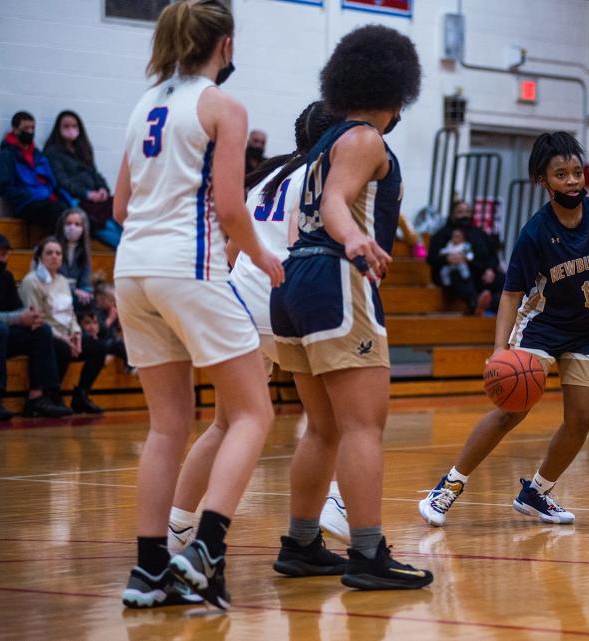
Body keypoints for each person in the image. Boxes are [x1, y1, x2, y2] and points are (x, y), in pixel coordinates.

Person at [113, 0, 283, 610]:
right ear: (225, 46)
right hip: (188, 269)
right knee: (252, 414)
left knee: (167, 425)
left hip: (131, 271)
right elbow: (232, 207)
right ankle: (207, 546)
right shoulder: (223, 106)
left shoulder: (144, 105)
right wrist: (263, 258)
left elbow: (120, 208)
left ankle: (148, 570)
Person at [270, 24, 432, 590]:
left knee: (324, 427)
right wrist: (357, 241)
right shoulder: (364, 139)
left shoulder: (326, 140)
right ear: (399, 90)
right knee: (364, 425)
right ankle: (367, 555)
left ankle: (302, 543)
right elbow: (338, 202)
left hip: (294, 282)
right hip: (336, 275)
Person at [164, 101, 352, 573]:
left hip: (239, 305)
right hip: (287, 302)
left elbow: (231, 250)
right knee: (333, 425)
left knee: (224, 425)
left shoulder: (270, 177)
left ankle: (178, 529)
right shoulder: (325, 180)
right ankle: (329, 511)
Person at [418, 132, 589, 527]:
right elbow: (509, 294)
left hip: (588, 330)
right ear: (543, 180)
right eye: (561, 174)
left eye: (576, 172)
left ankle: (537, 492)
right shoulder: (535, 232)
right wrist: (500, 349)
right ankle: (448, 487)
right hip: (540, 328)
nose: (572, 181)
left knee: (582, 419)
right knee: (511, 411)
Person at [18, 237, 106, 414]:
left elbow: (70, 313)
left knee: (98, 347)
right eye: (49, 253)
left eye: (58, 253)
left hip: (68, 334)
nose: (54, 256)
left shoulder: (63, 282)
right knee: (61, 349)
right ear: (40, 257)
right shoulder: (31, 281)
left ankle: (81, 394)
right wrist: (64, 338)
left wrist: (77, 334)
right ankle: (51, 395)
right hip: (45, 334)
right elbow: (36, 318)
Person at [0, 233, 72, 419]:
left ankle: (38, 397)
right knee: (1, 329)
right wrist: (16, 318)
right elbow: (14, 317)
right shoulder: (31, 280)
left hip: (6, 337)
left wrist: (31, 317)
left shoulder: (6, 277)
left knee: (41, 331)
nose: (2, 258)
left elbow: (17, 309)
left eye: (5, 254)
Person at [43, 111, 123, 249]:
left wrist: (103, 189)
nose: (71, 130)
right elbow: (61, 180)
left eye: (74, 126)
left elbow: (95, 173)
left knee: (120, 207)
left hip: (96, 197)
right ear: (59, 128)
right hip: (76, 198)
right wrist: (87, 194)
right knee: (103, 222)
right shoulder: (53, 152)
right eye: (66, 126)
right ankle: (120, 245)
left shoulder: (83, 149)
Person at [0, 112, 71, 238]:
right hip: (26, 203)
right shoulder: (7, 155)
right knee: (55, 210)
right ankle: (55, 249)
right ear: (15, 130)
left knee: (74, 213)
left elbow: (52, 181)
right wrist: (28, 195)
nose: (30, 132)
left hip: (46, 199)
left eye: (33, 128)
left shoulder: (38, 155)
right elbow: (4, 186)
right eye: (26, 128)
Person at [427, 199, 505, 315]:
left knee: (504, 280)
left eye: (468, 212)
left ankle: (492, 303)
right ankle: (474, 303)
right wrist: (447, 259)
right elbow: (431, 258)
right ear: (452, 215)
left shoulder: (480, 234)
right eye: (460, 212)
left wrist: (490, 269)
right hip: (453, 273)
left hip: (480, 273)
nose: (465, 215)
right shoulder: (441, 234)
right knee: (458, 274)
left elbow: (493, 256)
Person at [54, 208, 94, 306]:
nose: (72, 227)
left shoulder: (84, 251)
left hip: (76, 295)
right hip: (56, 293)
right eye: (68, 223)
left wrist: (88, 293)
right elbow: (52, 280)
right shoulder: (53, 248)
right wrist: (74, 291)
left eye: (77, 224)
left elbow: (85, 282)